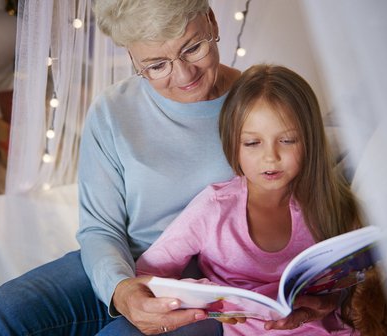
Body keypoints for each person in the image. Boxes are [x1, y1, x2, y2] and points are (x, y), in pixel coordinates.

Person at [0, 1, 342, 335]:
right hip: (131, 263)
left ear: (212, 21)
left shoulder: (262, 106)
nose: (184, 75)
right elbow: (99, 228)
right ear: (132, 59)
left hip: (222, 286)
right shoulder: (112, 112)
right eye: (156, 65)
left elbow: (312, 201)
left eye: (193, 48)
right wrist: (121, 289)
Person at [133, 64, 364, 335]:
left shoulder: (331, 202)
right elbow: (149, 273)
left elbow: (352, 282)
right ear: (233, 144)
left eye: (287, 140)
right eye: (253, 143)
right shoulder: (214, 208)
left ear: (309, 141)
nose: (271, 157)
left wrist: (328, 301)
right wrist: (212, 301)